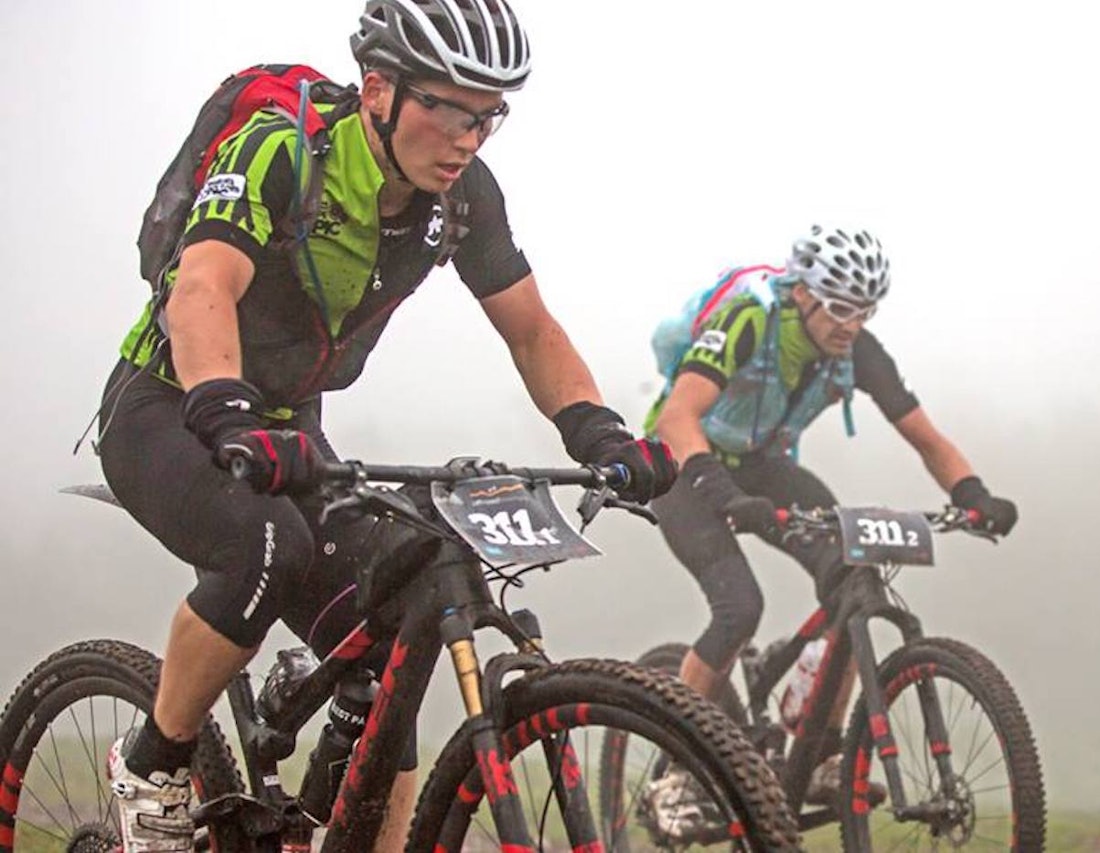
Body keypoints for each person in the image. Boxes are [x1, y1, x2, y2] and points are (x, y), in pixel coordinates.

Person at [95, 1, 675, 849]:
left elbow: (530, 328)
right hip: (169, 404)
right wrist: (223, 406)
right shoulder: (283, 152)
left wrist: (598, 432)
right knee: (266, 547)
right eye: (446, 106)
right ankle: (153, 766)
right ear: (377, 90)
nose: (467, 137)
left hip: (288, 425)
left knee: (395, 634)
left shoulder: (464, 198)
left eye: (487, 115)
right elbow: (203, 285)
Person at [644, 224, 1017, 816]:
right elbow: (677, 416)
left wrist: (973, 492)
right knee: (739, 607)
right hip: (683, 466)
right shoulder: (749, 319)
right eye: (840, 307)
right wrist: (720, 491)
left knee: (854, 574)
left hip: (764, 466)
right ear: (802, 293)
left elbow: (923, 435)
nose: (851, 323)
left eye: (864, 311)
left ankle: (818, 752)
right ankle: (676, 773)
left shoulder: (857, 351)